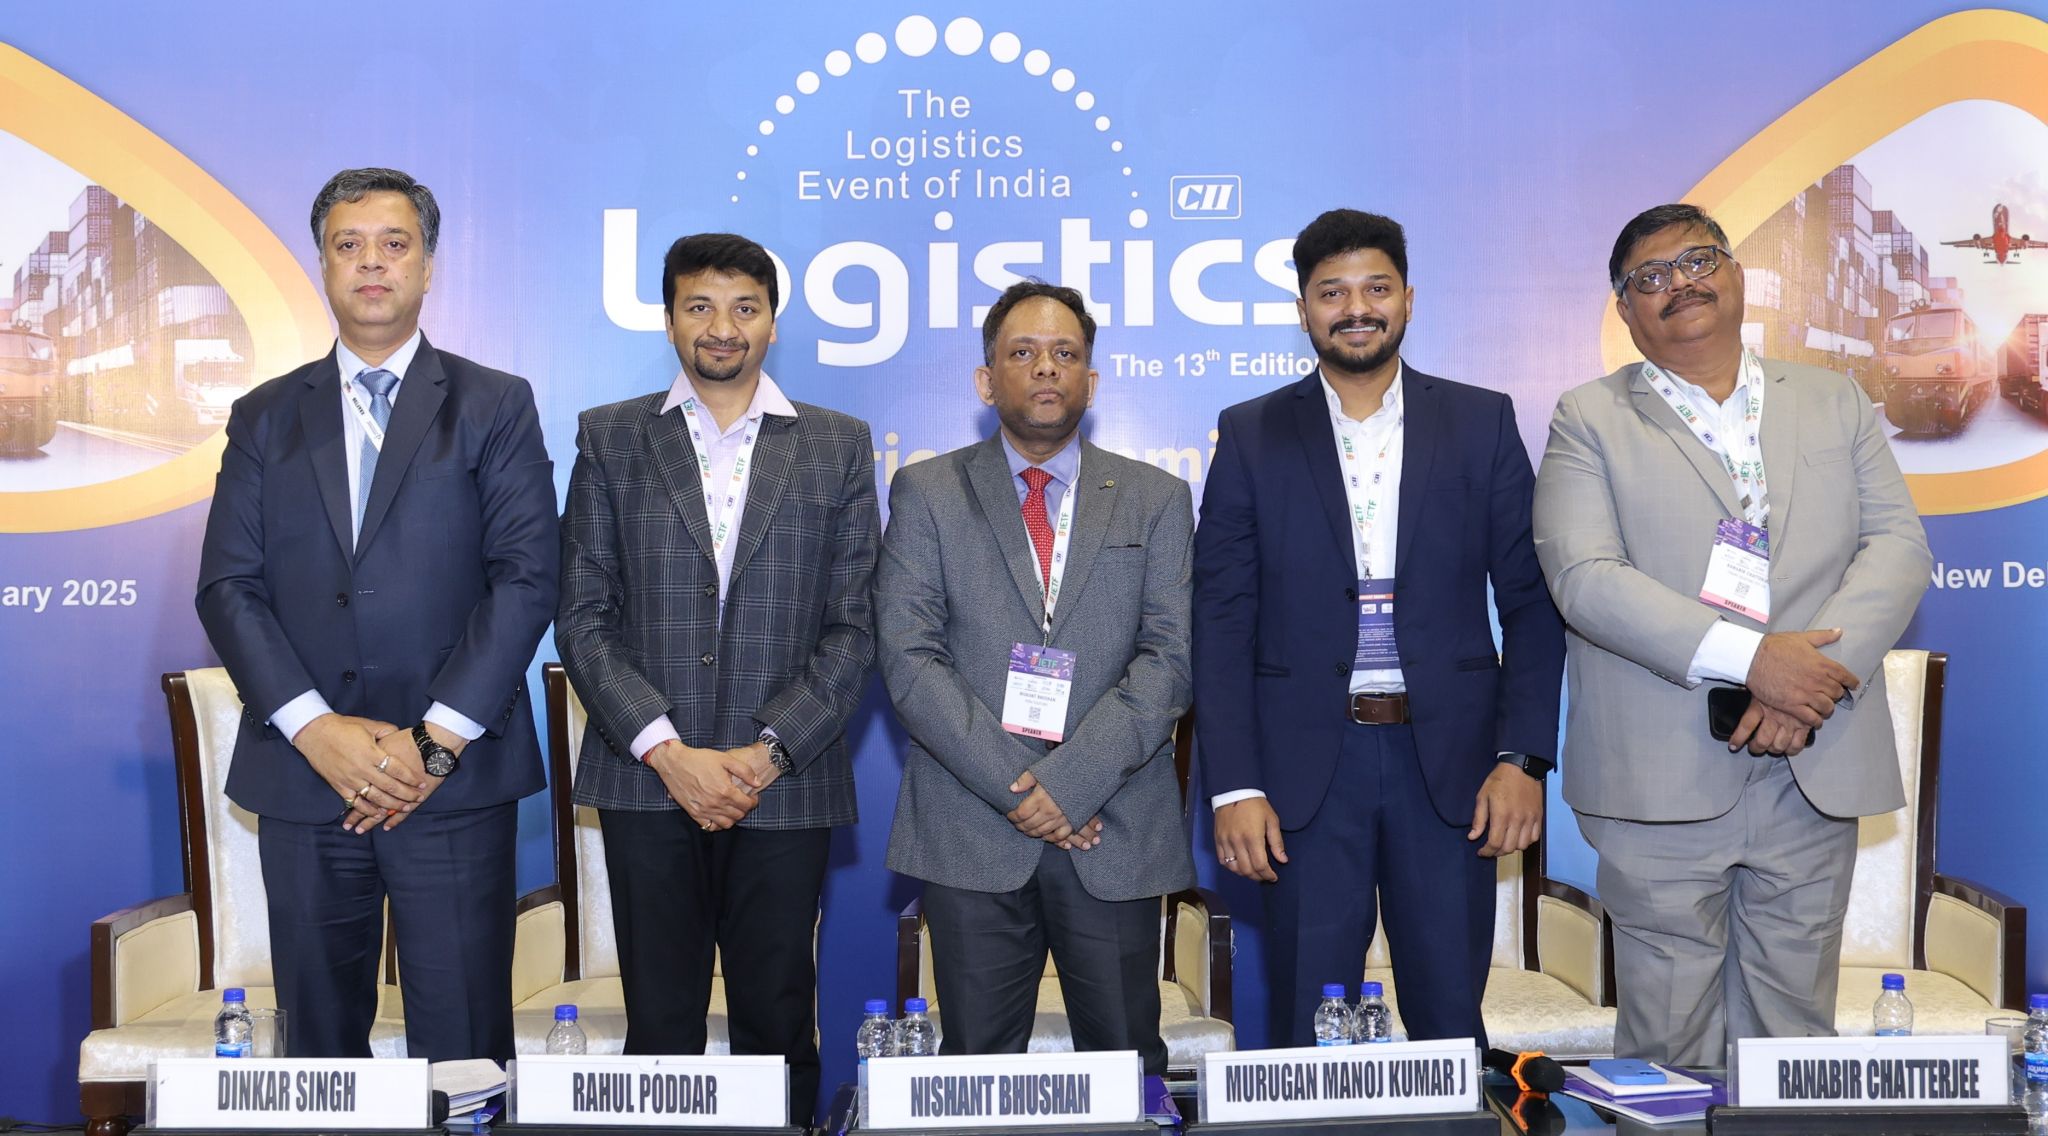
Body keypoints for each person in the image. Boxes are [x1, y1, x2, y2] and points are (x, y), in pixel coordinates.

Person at [1533, 203, 1931, 1064]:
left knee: (1795, 1045)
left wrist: (1812, 681)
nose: (1681, 283)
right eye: (1651, 277)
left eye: (1698, 260)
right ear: (1626, 311)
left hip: (1812, 763)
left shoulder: (1834, 399)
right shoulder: (1588, 419)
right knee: (1669, 1047)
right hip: (1658, 777)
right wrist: (1759, 663)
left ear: (1737, 275)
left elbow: (1899, 548)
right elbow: (1586, 580)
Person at [196, 167, 559, 1061]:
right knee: (321, 1056)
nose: (371, 264)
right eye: (347, 245)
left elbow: (526, 579)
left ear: (428, 265)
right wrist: (318, 732)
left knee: (466, 1054)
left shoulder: (495, 404)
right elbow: (226, 587)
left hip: (454, 781)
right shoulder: (264, 415)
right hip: (308, 781)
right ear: (321, 263)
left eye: (394, 245)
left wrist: (430, 744)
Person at [1193, 208, 1563, 1048]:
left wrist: (1522, 757)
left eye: (1375, 288)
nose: (1355, 307)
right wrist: (1234, 785)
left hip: (1453, 773)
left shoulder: (1480, 421)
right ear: (1303, 310)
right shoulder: (1252, 433)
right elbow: (1219, 621)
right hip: (1302, 779)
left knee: (1445, 1023)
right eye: (1332, 292)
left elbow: (1533, 603)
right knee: (1305, 1022)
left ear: (1408, 299)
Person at [555, 232, 876, 1122]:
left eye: (744, 308)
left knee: (778, 1016)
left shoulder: (837, 447)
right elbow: (582, 615)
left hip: (785, 781)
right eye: (699, 306)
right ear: (668, 320)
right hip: (648, 777)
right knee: (661, 1023)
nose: (722, 327)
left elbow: (857, 626)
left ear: (773, 323)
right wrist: (669, 751)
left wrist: (766, 754)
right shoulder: (611, 437)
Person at [877, 280, 1195, 1076]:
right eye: (1022, 353)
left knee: (1128, 1068)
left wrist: (1073, 784)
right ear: (988, 380)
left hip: (1113, 826)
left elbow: (1170, 660)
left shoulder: (1157, 499)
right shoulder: (927, 491)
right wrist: (1026, 791)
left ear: (1091, 377)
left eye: (1066, 354)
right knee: (978, 1074)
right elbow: (909, 658)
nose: (1045, 369)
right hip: (972, 827)